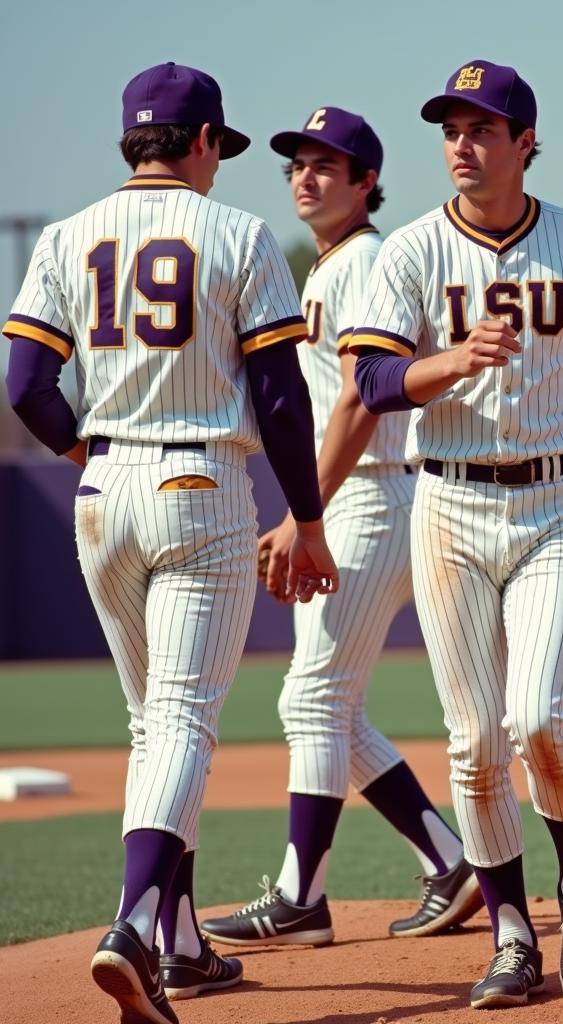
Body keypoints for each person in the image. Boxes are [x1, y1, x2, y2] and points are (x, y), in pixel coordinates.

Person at [3, 63, 339, 1024]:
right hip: (199, 485)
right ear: (199, 142)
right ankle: (136, 925)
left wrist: (85, 451)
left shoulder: (68, 237)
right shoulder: (234, 234)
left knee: (152, 723)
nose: (219, 163)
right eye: (218, 148)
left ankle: (183, 945)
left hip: (104, 485)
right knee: (184, 721)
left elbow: (26, 382)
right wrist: (308, 518)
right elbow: (280, 393)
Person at [353, 59, 563, 1010]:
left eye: (484, 128)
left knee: (540, 718)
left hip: (554, 501)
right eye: (452, 128)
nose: (463, 143)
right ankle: (506, 931)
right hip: (447, 504)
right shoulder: (408, 251)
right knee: (473, 743)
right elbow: (370, 385)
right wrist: (448, 361)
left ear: (526, 143)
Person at [200, 106, 482, 950]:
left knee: (312, 698)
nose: (306, 176)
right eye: (297, 163)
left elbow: (361, 394)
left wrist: (302, 514)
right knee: (332, 706)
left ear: (367, 182)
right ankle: (448, 860)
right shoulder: (328, 265)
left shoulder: (363, 261)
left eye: (329, 164)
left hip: (367, 494)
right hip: (361, 496)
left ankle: (301, 897)